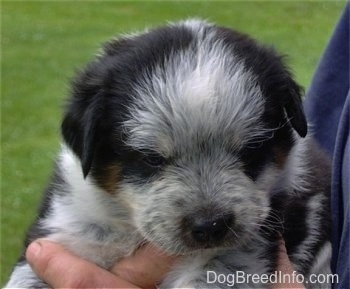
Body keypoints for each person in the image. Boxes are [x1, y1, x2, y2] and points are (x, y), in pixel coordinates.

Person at [25, 4, 349, 289]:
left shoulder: (298, 190)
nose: (207, 217)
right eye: (153, 159)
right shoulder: (78, 206)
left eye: (247, 151)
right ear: (87, 145)